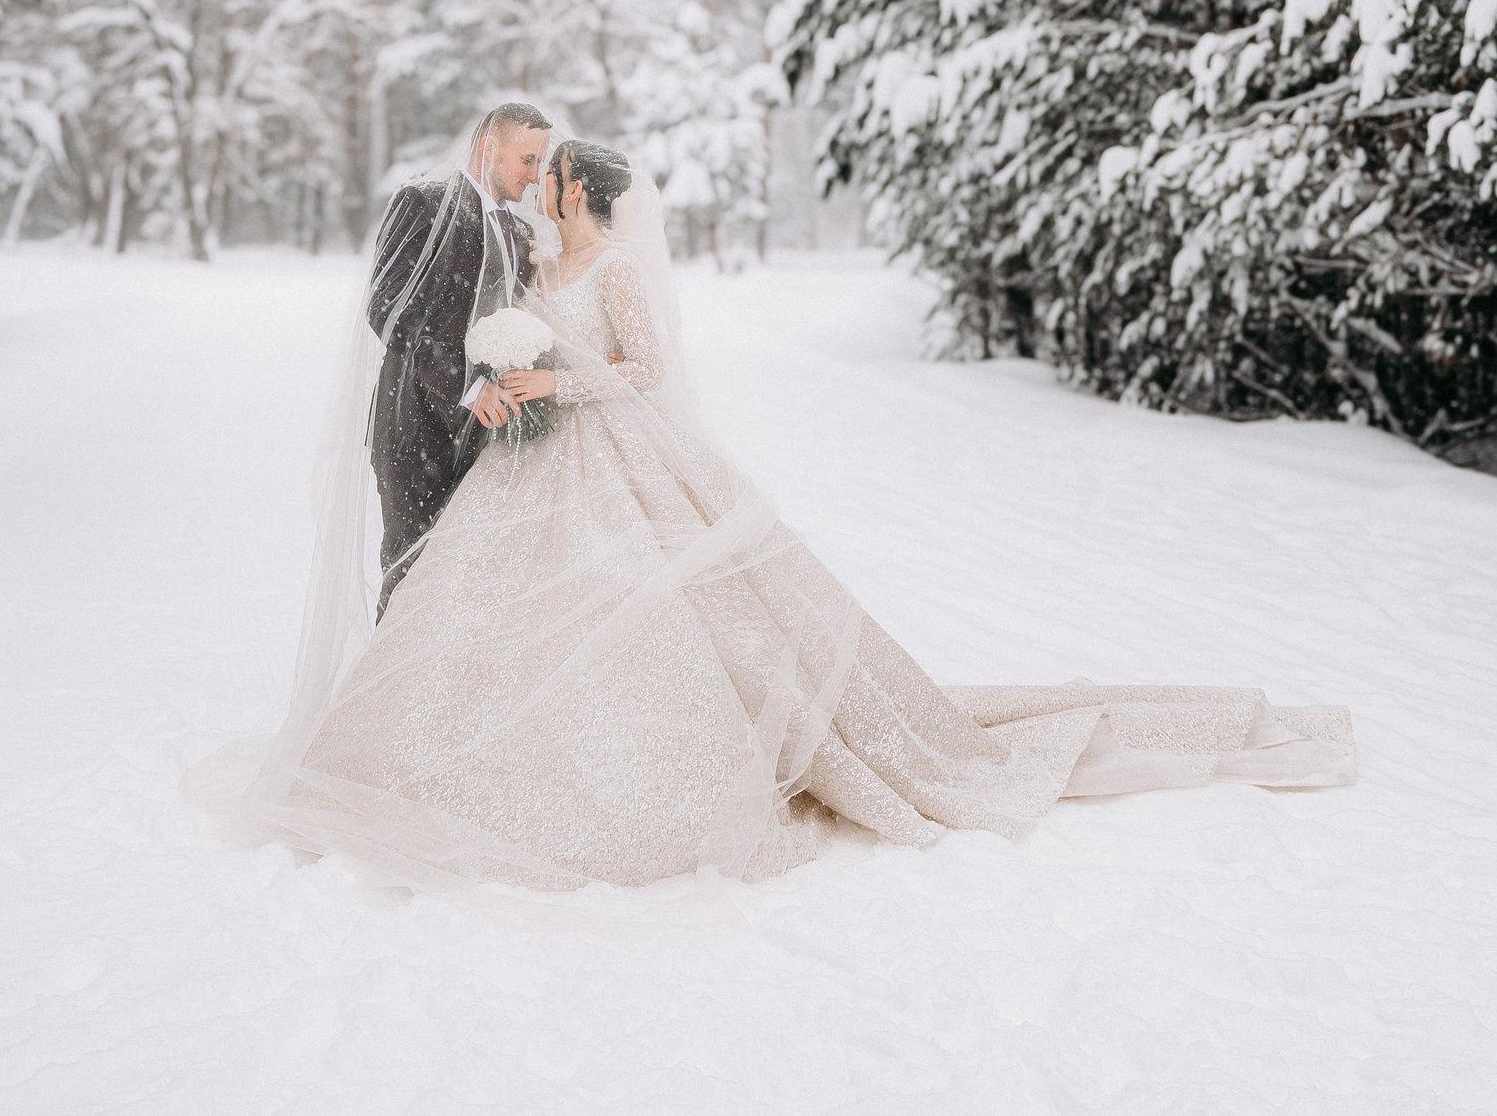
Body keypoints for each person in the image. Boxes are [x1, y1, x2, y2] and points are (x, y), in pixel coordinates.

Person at [213, 133, 1353, 896]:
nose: (541, 181)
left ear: (579, 193)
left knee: (648, 616)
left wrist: (546, 381)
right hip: (533, 464)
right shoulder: (528, 254)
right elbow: (437, 320)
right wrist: (499, 380)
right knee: (499, 609)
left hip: (609, 453)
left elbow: (641, 371)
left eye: (554, 174)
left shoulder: (605, 267)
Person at [363, 103, 549, 617]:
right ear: (490, 147)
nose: (535, 178)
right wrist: (466, 385)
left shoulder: (520, 236)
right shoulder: (421, 202)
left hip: (488, 440)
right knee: (409, 579)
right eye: (527, 161)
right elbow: (387, 308)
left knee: (468, 586)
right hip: (415, 425)